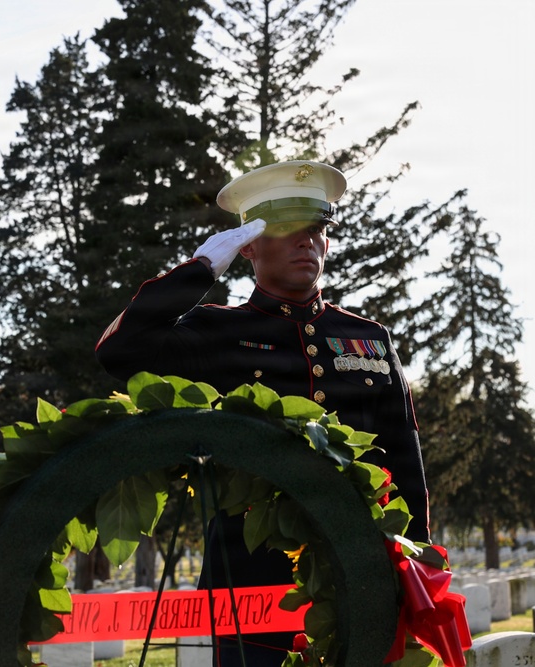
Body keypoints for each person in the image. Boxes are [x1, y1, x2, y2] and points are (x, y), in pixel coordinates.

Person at [94, 160, 429, 666]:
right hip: (248, 579)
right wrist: (199, 271)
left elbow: (404, 461)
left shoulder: (368, 340)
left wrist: (417, 561)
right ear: (248, 246)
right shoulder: (213, 332)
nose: (305, 242)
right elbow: (118, 351)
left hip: (359, 570)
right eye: (286, 230)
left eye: (315, 230)